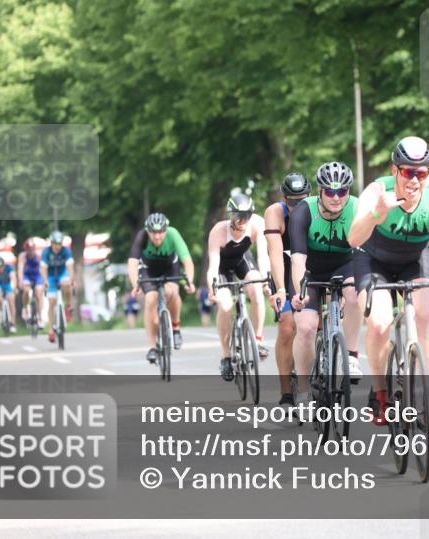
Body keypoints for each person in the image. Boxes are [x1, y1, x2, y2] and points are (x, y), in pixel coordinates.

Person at [348, 136, 429, 428]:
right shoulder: (377, 191)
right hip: (373, 259)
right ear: (395, 170)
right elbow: (353, 238)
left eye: (421, 173)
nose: (414, 180)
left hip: (415, 258)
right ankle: (381, 394)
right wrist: (377, 213)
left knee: (425, 316)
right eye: (407, 172)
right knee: (379, 325)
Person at [289, 162, 363, 408]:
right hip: (309, 271)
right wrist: (300, 292)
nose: (336, 197)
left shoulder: (357, 208)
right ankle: (302, 391)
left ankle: (351, 355)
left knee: (354, 295)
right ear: (320, 191)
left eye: (342, 191)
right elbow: (298, 259)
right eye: (330, 191)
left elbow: (365, 252)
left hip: (344, 266)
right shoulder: (304, 210)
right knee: (307, 327)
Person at [207, 192, 271, 381]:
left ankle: (257, 340)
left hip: (242, 261)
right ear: (231, 216)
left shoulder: (258, 224)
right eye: (239, 217)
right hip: (222, 268)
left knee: (256, 290)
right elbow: (213, 266)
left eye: (247, 216)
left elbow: (263, 256)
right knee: (226, 305)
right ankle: (226, 356)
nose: (243, 221)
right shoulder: (218, 231)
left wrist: (266, 280)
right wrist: (212, 287)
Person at [264, 172, 311, 409]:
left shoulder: (317, 209)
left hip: (309, 263)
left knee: (314, 321)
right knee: (287, 324)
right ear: (284, 199)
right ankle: (286, 393)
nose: (298, 207)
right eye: (293, 202)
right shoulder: (275, 213)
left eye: (303, 201)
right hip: (284, 265)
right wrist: (281, 289)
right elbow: (275, 253)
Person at [128, 212, 195, 362]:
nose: (157, 237)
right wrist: (135, 285)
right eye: (153, 232)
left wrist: (190, 282)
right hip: (148, 269)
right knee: (150, 298)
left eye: (161, 232)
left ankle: (176, 328)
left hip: (169, 267)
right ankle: (152, 347)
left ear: (166, 230)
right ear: (148, 231)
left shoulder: (173, 234)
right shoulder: (142, 236)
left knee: (172, 292)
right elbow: (132, 264)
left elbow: (187, 261)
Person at [41, 231, 74, 343]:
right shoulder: (46, 252)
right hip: (50, 276)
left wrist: (72, 279)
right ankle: (51, 330)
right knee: (51, 301)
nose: (57, 246)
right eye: (55, 243)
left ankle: (68, 307)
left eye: (59, 243)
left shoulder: (66, 251)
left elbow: (70, 267)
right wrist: (45, 281)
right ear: (51, 243)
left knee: (67, 284)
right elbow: (43, 268)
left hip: (62, 274)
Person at [17, 239, 46, 329]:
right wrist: (20, 281)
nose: (30, 251)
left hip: (37, 276)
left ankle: (40, 317)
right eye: (29, 249)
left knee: (39, 293)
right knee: (26, 290)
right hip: (27, 276)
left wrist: (45, 281)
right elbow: (20, 269)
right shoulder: (22, 256)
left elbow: (43, 268)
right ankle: (25, 308)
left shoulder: (38, 255)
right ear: (26, 249)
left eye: (32, 249)